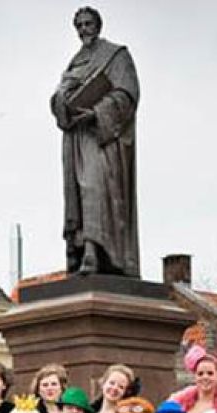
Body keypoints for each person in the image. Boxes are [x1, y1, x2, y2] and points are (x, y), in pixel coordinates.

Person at [51, 5, 140, 277]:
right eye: (79, 26)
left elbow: (128, 94)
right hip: (75, 138)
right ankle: (79, 254)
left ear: (98, 26)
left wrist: (97, 112)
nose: (84, 30)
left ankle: (96, 253)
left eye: (88, 24)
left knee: (94, 189)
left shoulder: (116, 55)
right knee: (77, 194)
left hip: (101, 138)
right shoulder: (74, 62)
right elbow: (57, 100)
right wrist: (61, 100)